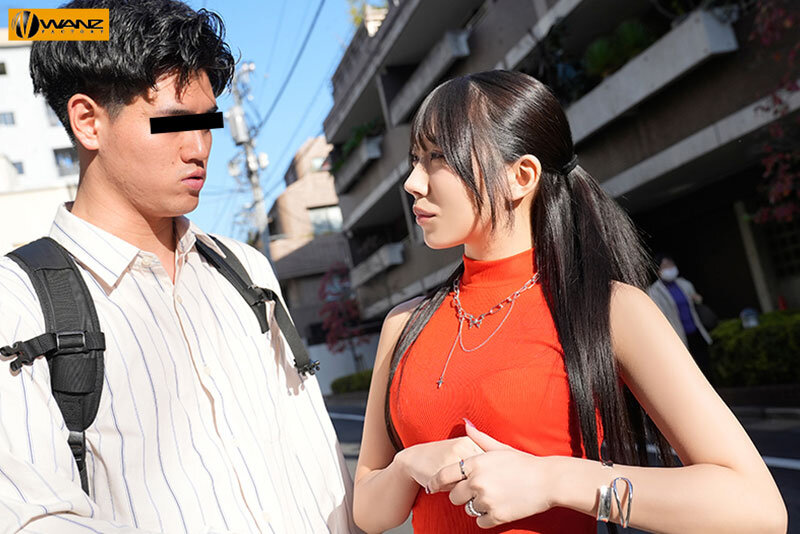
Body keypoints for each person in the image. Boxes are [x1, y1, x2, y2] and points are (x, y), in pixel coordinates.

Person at [352, 71, 787, 533]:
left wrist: (553, 480)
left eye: (438, 157)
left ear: (520, 176)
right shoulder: (404, 324)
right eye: (415, 159)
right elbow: (368, 512)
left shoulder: (609, 310)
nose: (413, 182)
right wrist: (407, 465)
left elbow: (757, 508)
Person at [0, 1, 357, 532]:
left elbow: (319, 464)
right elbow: (35, 519)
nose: (198, 148)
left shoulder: (246, 272)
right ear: (88, 121)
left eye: (207, 121)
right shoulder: (19, 302)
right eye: (174, 123)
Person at [647, 253, 713, 378]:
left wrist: (697, 299)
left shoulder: (684, 284)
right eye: (665, 266)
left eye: (671, 264)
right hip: (678, 335)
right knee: (690, 369)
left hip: (695, 331)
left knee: (705, 365)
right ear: (658, 271)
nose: (670, 268)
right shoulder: (654, 292)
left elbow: (697, 300)